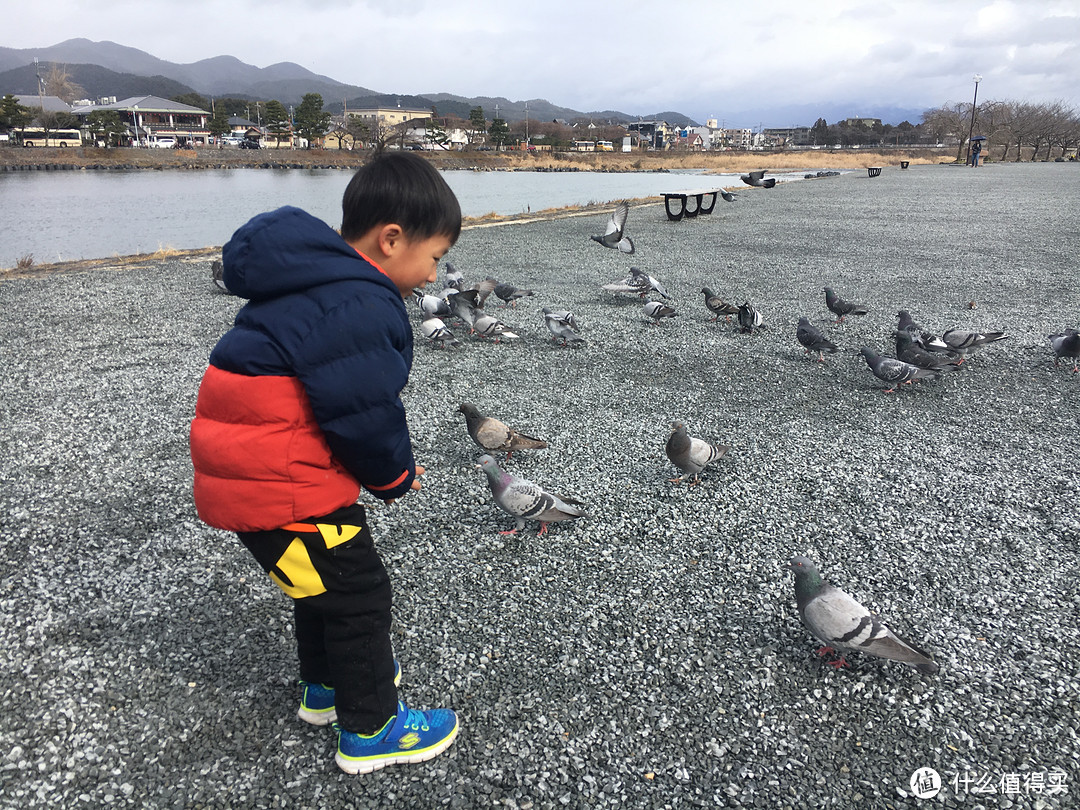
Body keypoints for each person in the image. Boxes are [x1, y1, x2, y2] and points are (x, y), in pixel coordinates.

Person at [189, 152, 461, 775]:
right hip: (284, 488)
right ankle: (373, 729)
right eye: (435, 256)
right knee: (361, 594)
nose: (433, 274)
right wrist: (395, 475)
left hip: (253, 482)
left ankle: (326, 689)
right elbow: (364, 411)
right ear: (391, 239)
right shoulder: (356, 303)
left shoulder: (309, 284)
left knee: (319, 588)